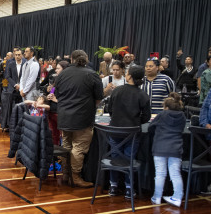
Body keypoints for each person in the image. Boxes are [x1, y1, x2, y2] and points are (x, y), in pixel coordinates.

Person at [55, 49, 103, 188]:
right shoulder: (92, 75)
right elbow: (98, 99)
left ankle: (65, 174)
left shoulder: (62, 74)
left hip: (64, 116)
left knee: (67, 145)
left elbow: (57, 94)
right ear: (86, 60)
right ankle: (75, 176)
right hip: (82, 118)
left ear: (71, 59)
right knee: (79, 147)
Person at [107, 65, 151, 198]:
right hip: (132, 133)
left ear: (129, 76)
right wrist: (136, 121)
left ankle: (113, 186)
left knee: (115, 157)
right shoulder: (142, 95)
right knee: (129, 159)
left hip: (115, 131)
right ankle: (129, 188)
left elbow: (110, 110)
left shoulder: (117, 91)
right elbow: (147, 117)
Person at [149, 93, 186, 207]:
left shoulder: (162, 114)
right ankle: (177, 197)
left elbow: (151, 127)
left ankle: (157, 197)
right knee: (175, 174)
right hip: (176, 148)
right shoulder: (182, 116)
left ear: (166, 107)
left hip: (160, 147)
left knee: (160, 174)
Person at [45, 60, 69, 145]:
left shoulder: (67, 82)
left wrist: (56, 100)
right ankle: (54, 155)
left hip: (59, 112)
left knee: (62, 136)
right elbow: (52, 92)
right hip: (52, 111)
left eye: (58, 68)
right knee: (53, 135)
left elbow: (68, 99)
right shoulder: (56, 80)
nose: (56, 70)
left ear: (64, 69)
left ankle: (61, 155)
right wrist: (49, 95)